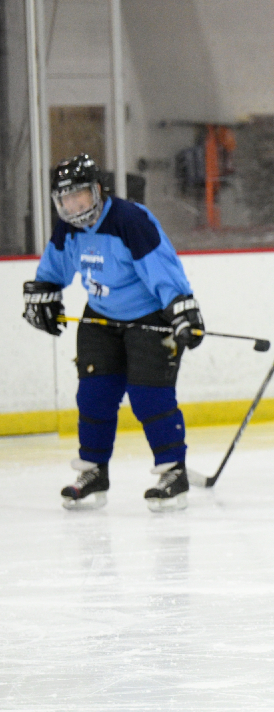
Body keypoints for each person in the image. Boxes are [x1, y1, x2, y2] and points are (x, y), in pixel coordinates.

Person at [24, 153, 205, 512]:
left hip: (150, 318)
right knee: (93, 396)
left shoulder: (129, 220)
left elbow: (161, 269)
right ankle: (93, 474)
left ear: (98, 191)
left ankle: (173, 472)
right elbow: (54, 268)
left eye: (80, 195)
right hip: (101, 319)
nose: (74, 206)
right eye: (65, 199)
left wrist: (182, 308)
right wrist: (43, 293)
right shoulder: (68, 228)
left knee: (148, 396)